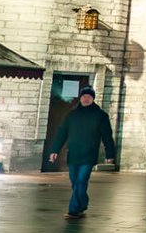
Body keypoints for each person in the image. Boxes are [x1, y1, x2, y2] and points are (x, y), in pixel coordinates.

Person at [48, 85, 116, 220]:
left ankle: (73, 210)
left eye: (89, 97)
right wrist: (54, 150)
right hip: (73, 154)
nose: (86, 99)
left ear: (93, 99)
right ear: (80, 98)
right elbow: (62, 133)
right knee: (75, 182)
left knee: (81, 181)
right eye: (83, 96)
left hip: (88, 155)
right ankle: (82, 204)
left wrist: (110, 154)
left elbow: (107, 136)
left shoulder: (101, 116)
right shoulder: (72, 115)